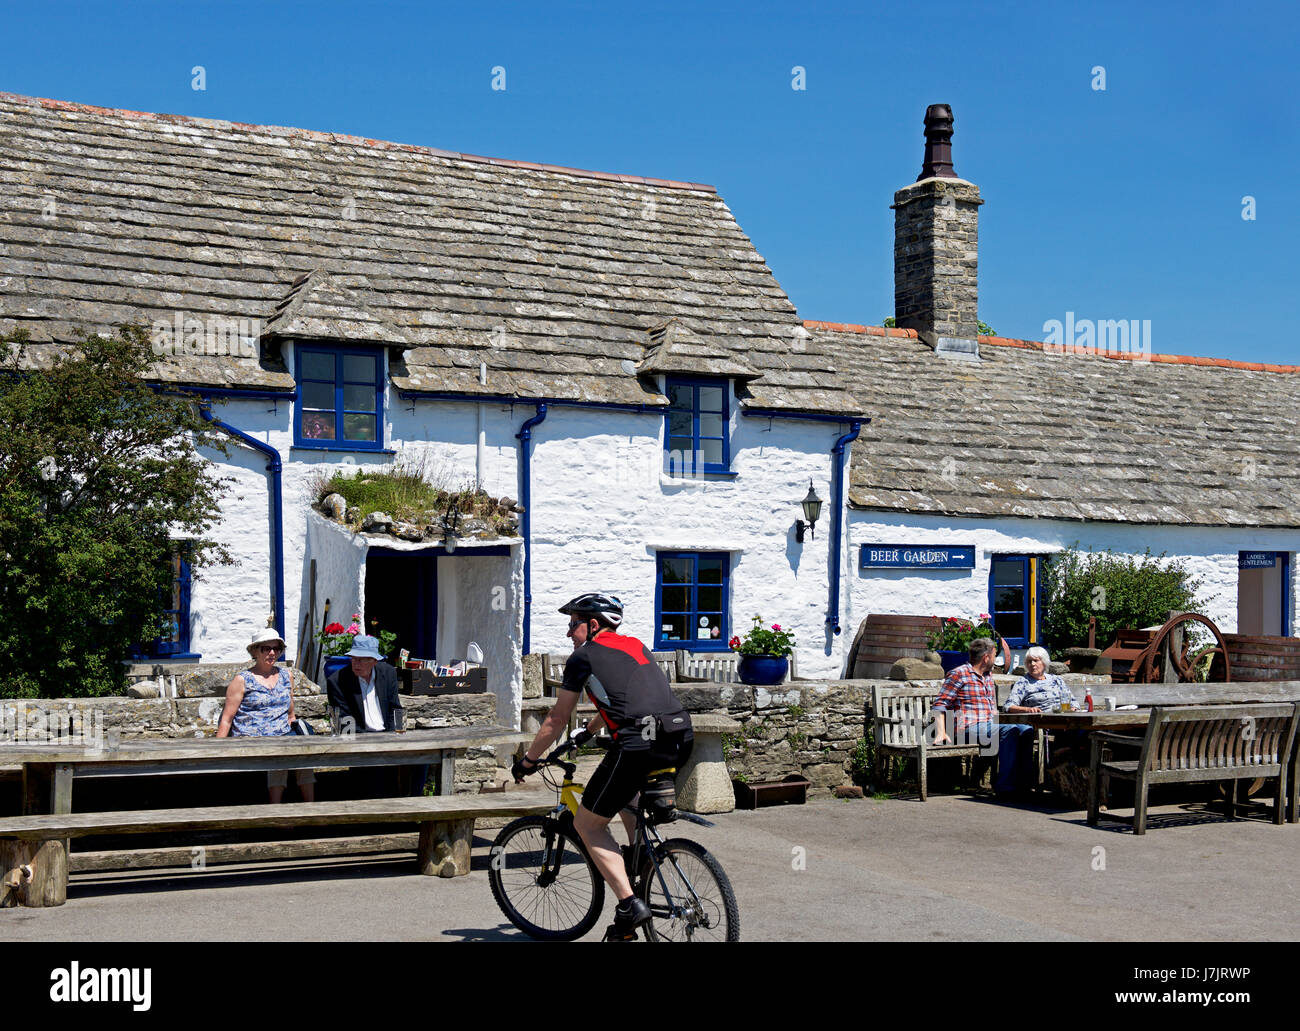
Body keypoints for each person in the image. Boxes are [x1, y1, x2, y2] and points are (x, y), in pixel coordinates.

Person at [513, 593, 693, 941]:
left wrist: (529, 759)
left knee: (587, 824)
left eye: (573, 624)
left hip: (638, 745)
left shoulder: (583, 657)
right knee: (627, 798)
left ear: (593, 624)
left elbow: (556, 718)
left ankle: (629, 904)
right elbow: (626, 698)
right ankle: (640, 866)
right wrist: (589, 733)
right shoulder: (636, 646)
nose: (569, 633)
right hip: (679, 735)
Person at [217, 628, 316, 803]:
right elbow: (227, 719)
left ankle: (311, 809)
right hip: (252, 738)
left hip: (282, 736)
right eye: (266, 648)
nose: (272, 653)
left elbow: (290, 714)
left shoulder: (286, 676)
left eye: (276, 649)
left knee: (305, 755)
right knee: (278, 755)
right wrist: (216, 751)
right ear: (255, 651)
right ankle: (276, 812)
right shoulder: (242, 680)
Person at [930, 636, 1034, 797]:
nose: (995, 659)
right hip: (964, 729)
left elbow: (992, 709)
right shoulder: (959, 674)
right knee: (1010, 731)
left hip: (986, 727)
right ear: (986, 658)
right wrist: (941, 731)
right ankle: (1006, 787)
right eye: (994, 656)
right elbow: (940, 704)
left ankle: (1024, 783)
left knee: (1026, 729)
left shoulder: (987, 677)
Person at [326, 635, 423, 795]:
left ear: (374, 661)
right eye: (353, 658)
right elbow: (344, 720)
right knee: (372, 780)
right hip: (359, 741)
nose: (356, 663)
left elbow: (395, 708)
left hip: (388, 737)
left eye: (362, 659)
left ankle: (409, 810)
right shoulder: (337, 681)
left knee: (420, 762)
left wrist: (396, 738)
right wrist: (371, 743)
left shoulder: (388, 673)